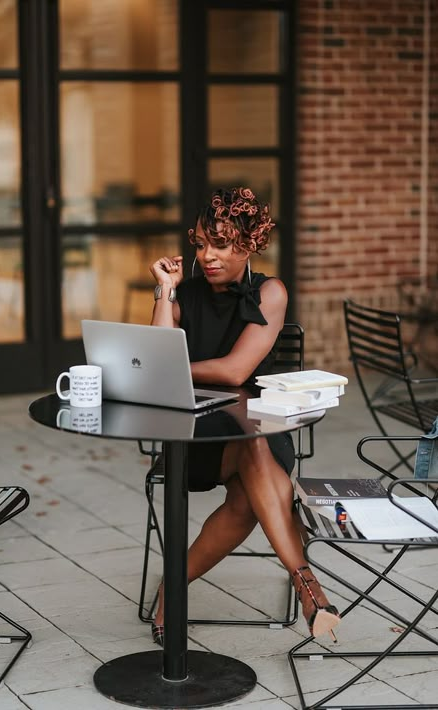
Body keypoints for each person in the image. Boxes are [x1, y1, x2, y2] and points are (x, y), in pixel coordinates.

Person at [148, 186, 340, 646]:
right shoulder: (186, 293)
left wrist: (172, 368)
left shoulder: (269, 292)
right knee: (252, 473)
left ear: (250, 243)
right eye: (200, 243)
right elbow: (154, 356)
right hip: (194, 433)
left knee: (249, 469)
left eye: (220, 243)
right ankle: (309, 589)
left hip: (258, 426)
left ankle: (170, 593)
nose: (207, 255)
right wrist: (163, 290)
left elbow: (236, 370)